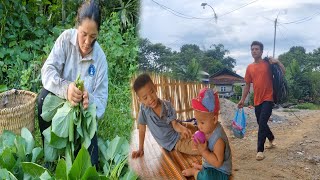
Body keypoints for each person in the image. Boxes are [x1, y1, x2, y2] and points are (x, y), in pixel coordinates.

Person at [37, 0, 108, 166]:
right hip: (61, 104)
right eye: (84, 34)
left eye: (93, 37)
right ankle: (50, 151)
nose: (87, 42)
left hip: (83, 115)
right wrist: (66, 89)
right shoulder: (65, 40)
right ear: (77, 26)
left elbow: (102, 99)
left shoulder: (100, 59)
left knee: (90, 165)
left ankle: (75, 144)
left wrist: (89, 100)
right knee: (43, 99)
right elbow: (47, 70)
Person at [131, 73, 199, 158]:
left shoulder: (167, 105)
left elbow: (175, 125)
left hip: (180, 127)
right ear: (140, 100)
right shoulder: (144, 110)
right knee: (199, 148)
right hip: (175, 142)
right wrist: (140, 149)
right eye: (145, 98)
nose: (150, 98)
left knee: (198, 129)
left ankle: (204, 131)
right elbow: (141, 129)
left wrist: (183, 129)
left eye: (151, 92)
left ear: (155, 88)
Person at [238, 41, 285, 161]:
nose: (254, 51)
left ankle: (260, 150)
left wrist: (278, 62)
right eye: (252, 49)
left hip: (268, 98)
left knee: (262, 123)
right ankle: (271, 138)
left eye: (257, 49)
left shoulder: (268, 63)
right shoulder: (249, 68)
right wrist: (242, 100)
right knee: (261, 122)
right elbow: (247, 86)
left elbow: (282, 72)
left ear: (261, 51)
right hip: (257, 100)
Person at [182, 87, 232, 180]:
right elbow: (201, 145)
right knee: (207, 169)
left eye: (202, 122)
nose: (199, 126)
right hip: (209, 165)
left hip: (221, 170)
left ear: (214, 119)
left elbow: (218, 163)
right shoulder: (206, 129)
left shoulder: (218, 140)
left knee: (207, 178)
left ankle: (195, 172)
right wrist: (196, 143)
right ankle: (202, 168)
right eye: (197, 121)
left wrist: (204, 151)